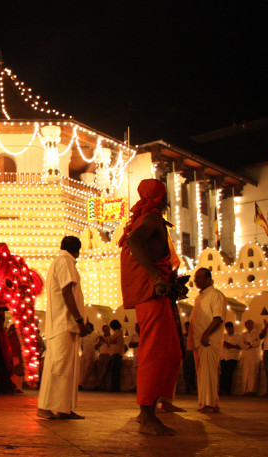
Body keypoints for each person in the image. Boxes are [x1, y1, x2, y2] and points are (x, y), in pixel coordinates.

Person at [119, 178, 182, 436]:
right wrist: (156, 277)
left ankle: (152, 407)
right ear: (160, 197)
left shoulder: (142, 216)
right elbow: (134, 242)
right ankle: (147, 416)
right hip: (152, 292)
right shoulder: (152, 217)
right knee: (154, 352)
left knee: (169, 349)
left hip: (155, 293)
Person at [37, 236, 89, 420]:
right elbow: (67, 291)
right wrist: (79, 319)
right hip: (64, 323)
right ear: (77, 250)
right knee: (58, 367)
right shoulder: (65, 261)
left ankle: (63, 408)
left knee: (66, 368)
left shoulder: (60, 261)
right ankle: (46, 406)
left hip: (64, 324)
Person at [188, 268, 226, 413]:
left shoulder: (216, 295)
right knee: (203, 374)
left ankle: (209, 404)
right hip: (199, 342)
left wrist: (206, 334)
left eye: (199, 278)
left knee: (209, 373)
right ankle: (207, 403)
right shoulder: (200, 297)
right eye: (195, 278)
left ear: (208, 279)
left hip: (209, 341)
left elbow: (218, 318)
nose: (196, 281)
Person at [239, 319, 261, 395]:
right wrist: (247, 346)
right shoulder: (244, 334)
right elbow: (241, 343)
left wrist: (251, 344)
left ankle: (252, 390)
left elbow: (258, 342)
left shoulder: (257, 333)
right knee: (246, 372)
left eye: (250, 324)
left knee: (253, 371)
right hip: (246, 354)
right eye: (247, 324)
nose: (249, 325)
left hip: (254, 354)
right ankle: (245, 390)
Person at [220, 322, 242, 395]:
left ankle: (227, 390)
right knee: (222, 374)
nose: (228, 330)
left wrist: (231, 346)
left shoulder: (238, 336)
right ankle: (222, 389)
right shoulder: (224, 336)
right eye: (227, 329)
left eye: (229, 329)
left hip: (233, 357)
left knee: (229, 374)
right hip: (223, 357)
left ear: (232, 328)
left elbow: (241, 347)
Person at [105, 319, 125, 392]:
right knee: (115, 370)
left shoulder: (117, 332)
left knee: (115, 371)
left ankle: (115, 387)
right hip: (117, 353)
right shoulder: (120, 332)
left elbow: (110, 341)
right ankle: (115, 387)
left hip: (116, 353)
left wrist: (108, 336)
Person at [92, 325, 110, 390]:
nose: (106, 331)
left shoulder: (111, 337)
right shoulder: (100, 338)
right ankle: (100, 385)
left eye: (107, 329)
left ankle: (99, 385)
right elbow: (95, 347)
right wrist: (100, 342)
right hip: (101, 354)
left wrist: (104, 340)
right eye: (105, 329)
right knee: (99, 370)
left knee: (104, 370)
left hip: (108, 355)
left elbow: (110, 345)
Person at [79, 322, 96, 389]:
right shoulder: (84, 336)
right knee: (82, 369)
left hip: (90, 354)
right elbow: (81, 345)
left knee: (87, 369)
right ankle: (80, 383)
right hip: (84, 354)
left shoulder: (95, 335)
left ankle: (83, 384)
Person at [182, 321, 197, 394]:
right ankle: (187, 387)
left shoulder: (194, 336)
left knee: (192, 371)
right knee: (186, 372)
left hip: (193, 355)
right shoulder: (183, 337)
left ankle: (192, 387)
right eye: (186, 327)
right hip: (186, 355)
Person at [128, 323, 140, 390]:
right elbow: (130, 344)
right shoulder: (134, 336)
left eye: (138, 327)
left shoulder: (145, 335)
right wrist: (139, 344)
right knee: (134, 370)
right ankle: (136, 385)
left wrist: (137, 344)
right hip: (136, 355)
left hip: (144, 355)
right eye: (136, 327)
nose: (136, 328)